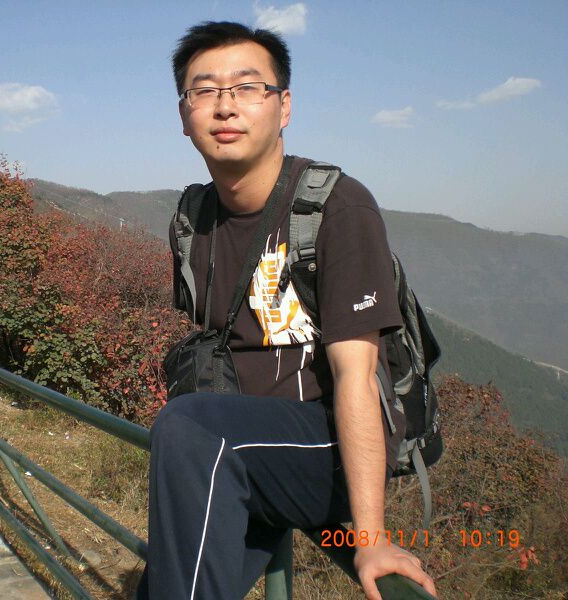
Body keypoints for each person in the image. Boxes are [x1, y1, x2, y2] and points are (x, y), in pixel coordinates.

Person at [136, 22, 437, 599]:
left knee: (189, 426)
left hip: (329, 445)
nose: (226, 106)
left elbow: (356, 376)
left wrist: (370, 536)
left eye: (248, 87)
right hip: (241, 446)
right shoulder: (193, 218)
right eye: (205, 90)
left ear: (284, 107)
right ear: (183, 115)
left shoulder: (337, 207)